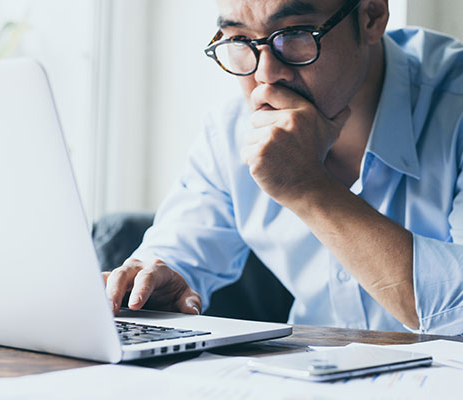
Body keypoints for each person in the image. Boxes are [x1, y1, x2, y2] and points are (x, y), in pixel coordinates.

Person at [103, 0, 463, 335]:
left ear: (370, 15)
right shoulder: (230, 130)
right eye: (240, 39)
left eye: (294, 35)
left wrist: (308, 188)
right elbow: (177, 254)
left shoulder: (454, 106)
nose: (266, 74)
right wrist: (152, 282)